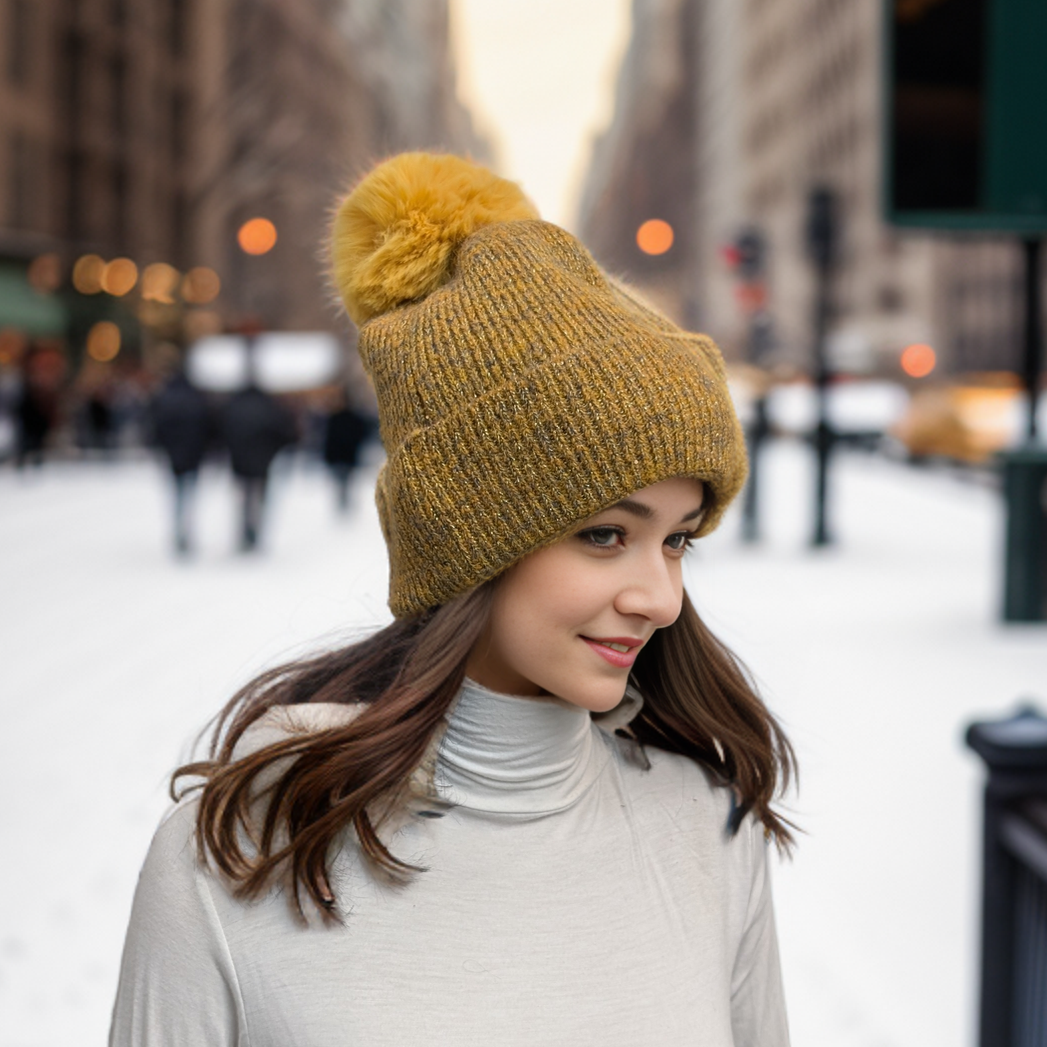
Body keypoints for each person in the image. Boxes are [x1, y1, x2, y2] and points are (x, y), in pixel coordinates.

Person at [110, 153, 795, 1046]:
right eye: (602, 534)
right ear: (468, 541)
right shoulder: (238, 850)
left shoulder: (709, 827)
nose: (659, 596)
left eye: (677, 540)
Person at [222, 374, 297, 551]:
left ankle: (245, 530)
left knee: (244, 499)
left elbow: (223, 433)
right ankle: (255, 531)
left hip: (239, 462)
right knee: (259, 498)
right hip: (263, 462)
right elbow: (283, 433)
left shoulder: (234, 407)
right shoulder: (269, 407)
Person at [149, 368, 212, 555]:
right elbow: (207, 429)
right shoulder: (197, 400)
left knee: (177, 495)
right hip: (193, 456)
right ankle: (186, 530)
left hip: (174, 456)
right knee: (190, 494)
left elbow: (157, 429)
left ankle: (179, 530)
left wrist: (162, 449)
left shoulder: (165, 400)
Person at [322, 389, 375, 512]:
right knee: (342, 480)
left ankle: (344, 503)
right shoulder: (336, 417)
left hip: (346, 455)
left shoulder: (343, 418)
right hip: (342, 455)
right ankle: (343, 503)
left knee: (345, 480)